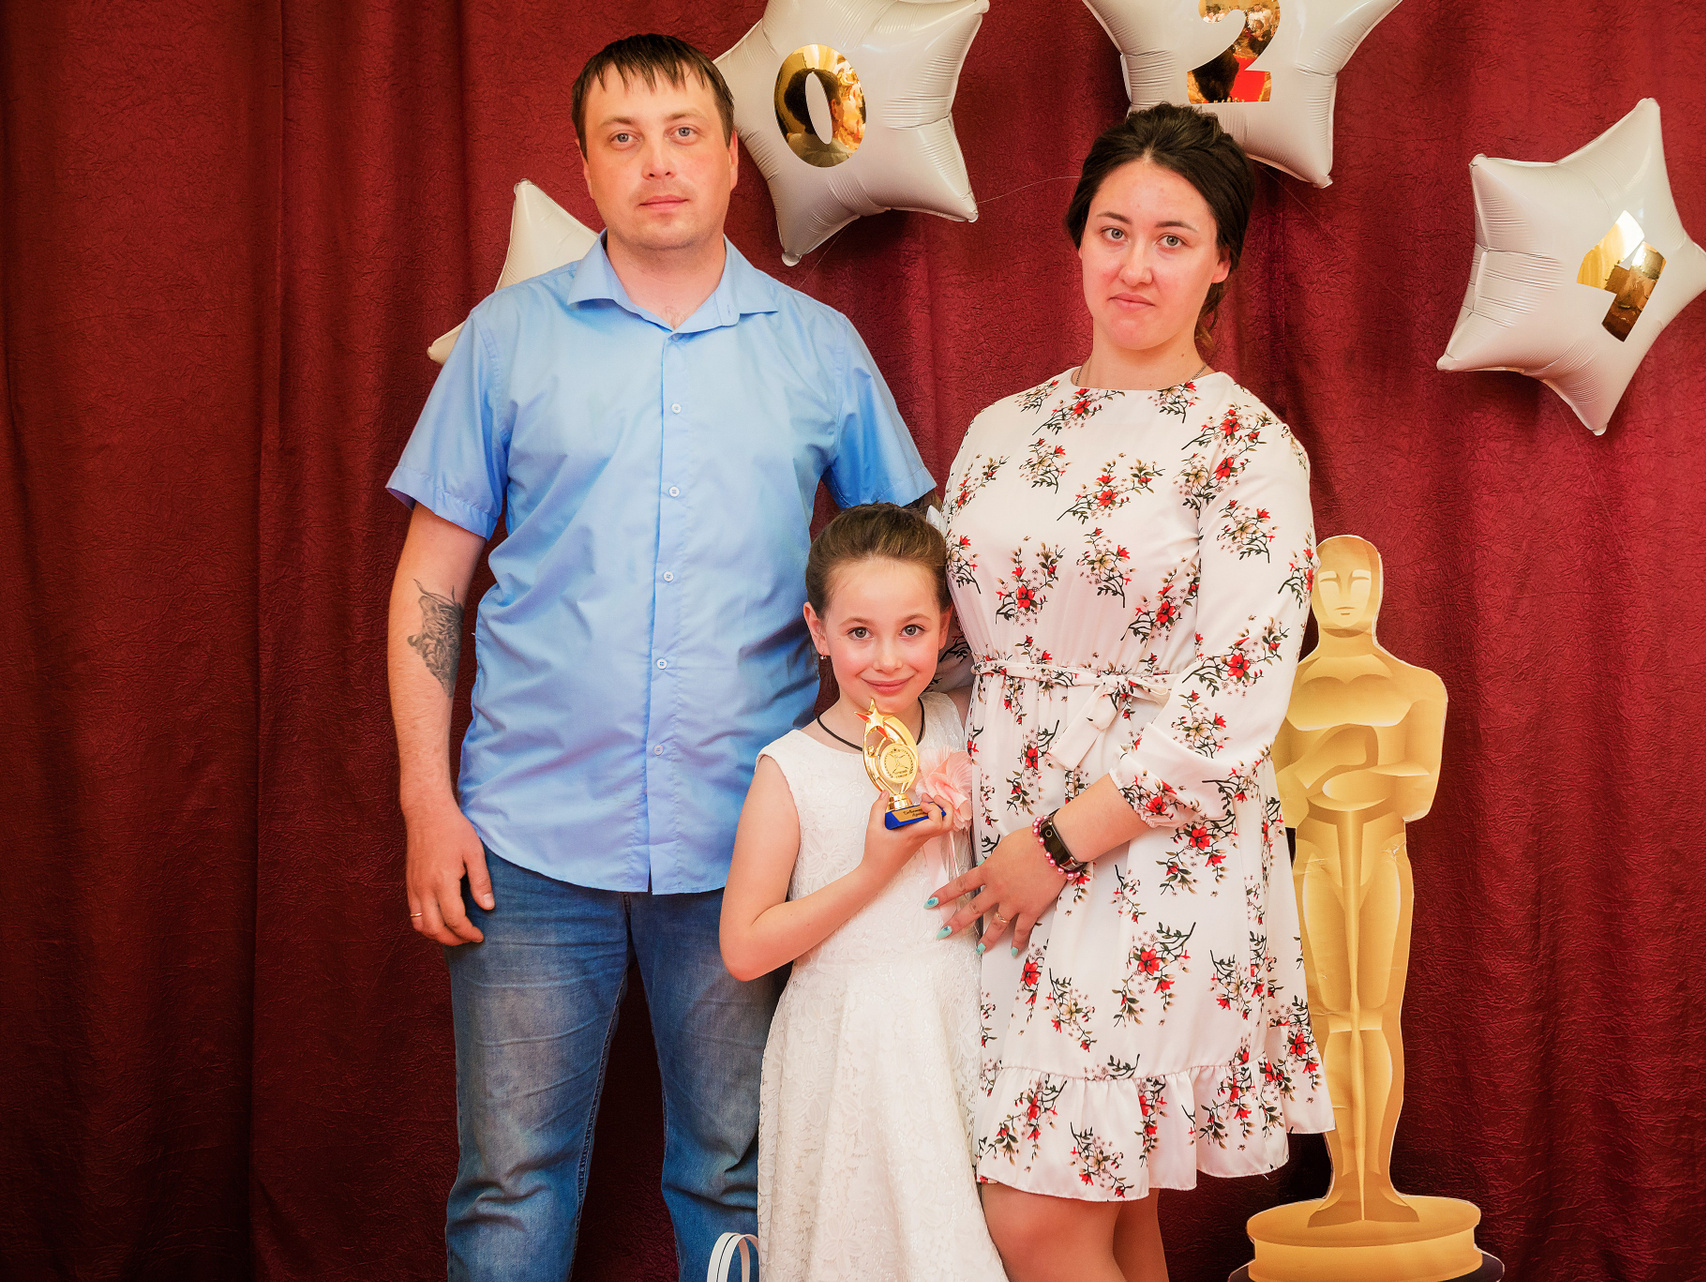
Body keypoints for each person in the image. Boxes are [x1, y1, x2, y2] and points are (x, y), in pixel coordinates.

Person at [384, 33, 933, 1282]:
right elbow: (430, 583)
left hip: (751, 842)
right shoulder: (507, 341)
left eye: (685, 133)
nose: (658, 163)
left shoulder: (819, 348)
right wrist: (426, 800)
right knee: (509, 1182)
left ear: (733, 157)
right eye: (622, 139)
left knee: (739, 1172)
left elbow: (908, 580)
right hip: (523, 840)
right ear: (585, 168)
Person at [930, 104, 1335, 1282]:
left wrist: (1055, 844)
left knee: (1037, 1214)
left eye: (1172, 238)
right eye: (1114, 231)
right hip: (1004, 852)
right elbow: (960, 643)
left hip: (1150, 858)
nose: (1136, 265)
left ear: (1221, 262)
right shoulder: (1002, 431)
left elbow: (1233, 704)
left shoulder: (1247, 447)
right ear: (1077, 241)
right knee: (1107, 1209)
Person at [720, 504, 1007, 1282]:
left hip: (958, 1019)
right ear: (817, 630)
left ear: (946, 627)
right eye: (858, 632)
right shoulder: (790, 771)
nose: (887, 658)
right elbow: (744, 947)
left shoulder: (961, 724)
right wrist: (873, 871)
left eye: (911, 630)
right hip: (849, 1043)